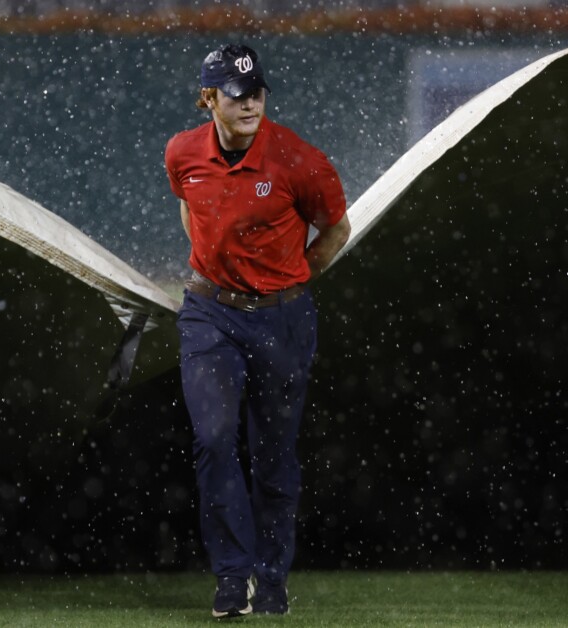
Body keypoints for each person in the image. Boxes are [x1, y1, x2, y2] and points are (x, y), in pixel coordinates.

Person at [164, 43, 350, 618]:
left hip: (282, 319)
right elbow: (189, 207)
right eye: (237, 94)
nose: (250, 103)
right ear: (208, 99)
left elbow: (337, 231)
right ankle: (231, 576)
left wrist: (285, 285)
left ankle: (271, 580)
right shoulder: (181, 152)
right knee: (215, 439)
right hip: (209, 313)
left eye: (257, 91)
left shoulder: (299, 160)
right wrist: (214, 270)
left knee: (274, 455)